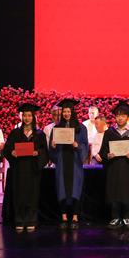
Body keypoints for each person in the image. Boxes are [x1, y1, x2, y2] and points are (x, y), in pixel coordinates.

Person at [2, 103, 48, 232]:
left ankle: (31, 220)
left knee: (32, 195)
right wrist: (12, 152)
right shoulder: (15, 133)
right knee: (19, 194)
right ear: (22, 117)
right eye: (25, 116)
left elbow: (44, 151)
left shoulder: (39, 134)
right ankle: (20, 220)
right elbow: (7, 149)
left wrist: (37, 153)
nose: (27, 118)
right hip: (19, 169)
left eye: (29, 116)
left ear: (33, 117)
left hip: (33, 169)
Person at [97, 101, 129, 229]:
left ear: (127, 117)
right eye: (118, 116)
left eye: (123, 116)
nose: (120, 118)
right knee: (114, 191)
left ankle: (127, 217)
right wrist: (107, 155)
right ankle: (115, 217)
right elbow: (103, 151)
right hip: (114, 167)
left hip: (128, 167)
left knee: (127, 191)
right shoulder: (110, 132)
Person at [49, 98, 89, 230]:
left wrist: (78, 146)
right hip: (62, 162)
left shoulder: (81, 128)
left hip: (75, 162)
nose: (66, 114)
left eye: (68, 111)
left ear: (73, 112)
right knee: (62, 188)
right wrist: (53, 146)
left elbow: (85, 145)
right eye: (64, 111)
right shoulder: (56, 128)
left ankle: (75, 217)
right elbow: (51, 150)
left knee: (75, 188)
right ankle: (64, 217)